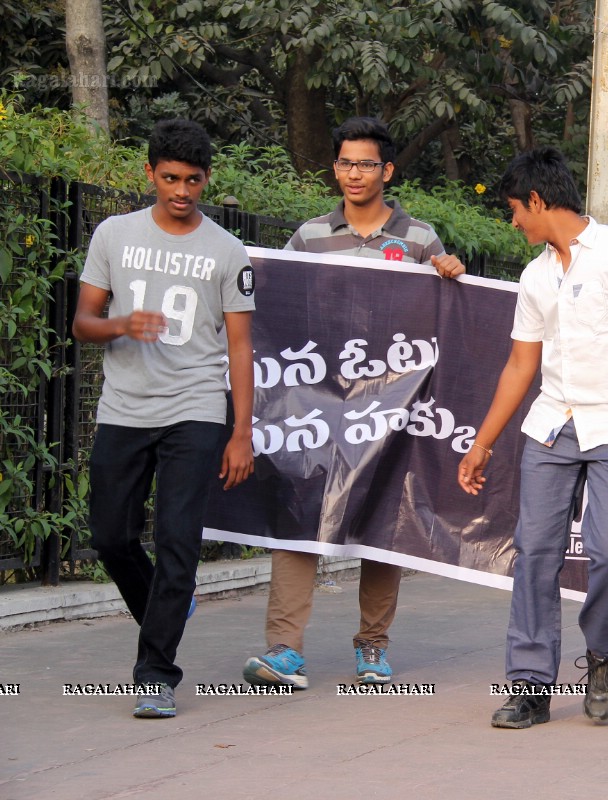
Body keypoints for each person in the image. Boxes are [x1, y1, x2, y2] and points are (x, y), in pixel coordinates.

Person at [457, 146, 608, 728]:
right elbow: (519, 367)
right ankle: (529, 685)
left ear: (537, 200)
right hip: (553, 426)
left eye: (514, 211)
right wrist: (481, 442)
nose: (513, 223)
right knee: (534, 553)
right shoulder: (534, 276)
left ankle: (603, 655)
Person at [243, 117, 465, 690]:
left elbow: (444, 320)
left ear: (387, 171)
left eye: (365, 164)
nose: (354, 174)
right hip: (318, 403)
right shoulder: (310, 235)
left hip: (388, 408)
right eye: (345, 162)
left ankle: (372, 647)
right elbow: (277, 303)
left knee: (382, 520)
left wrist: (450, 275)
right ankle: (284, 649)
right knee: (299, 515)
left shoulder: (419, 239)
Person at [72, 119, 256, 718]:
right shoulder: (113, 234)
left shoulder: (227, 251)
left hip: (196, 409)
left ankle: (155, 673)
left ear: (207, 180)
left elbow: (239, 348)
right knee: (111, 538)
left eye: (193, 180)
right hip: (124, 407)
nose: (181, 190)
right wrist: (121, 324)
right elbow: (82, 323)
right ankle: (167, 601)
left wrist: (241, 431)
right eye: (170, 177)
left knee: (178, 543)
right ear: (150, 174)